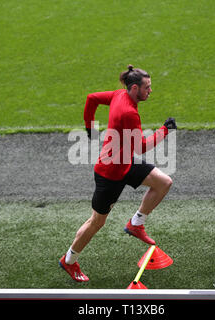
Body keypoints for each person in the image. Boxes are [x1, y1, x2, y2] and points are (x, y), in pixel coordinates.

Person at [59, 65, 177, 282]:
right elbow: (141, 146)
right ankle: (68, 261)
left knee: (163, 182)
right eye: (147, 88)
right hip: (110, 173)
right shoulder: (129, 112)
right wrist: (165, 131)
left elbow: (91, 98)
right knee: (96, 222)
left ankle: (136, 223)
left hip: (125, 162)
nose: (150, 91)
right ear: (134, 88)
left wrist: (89, 126)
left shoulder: (118, 96)